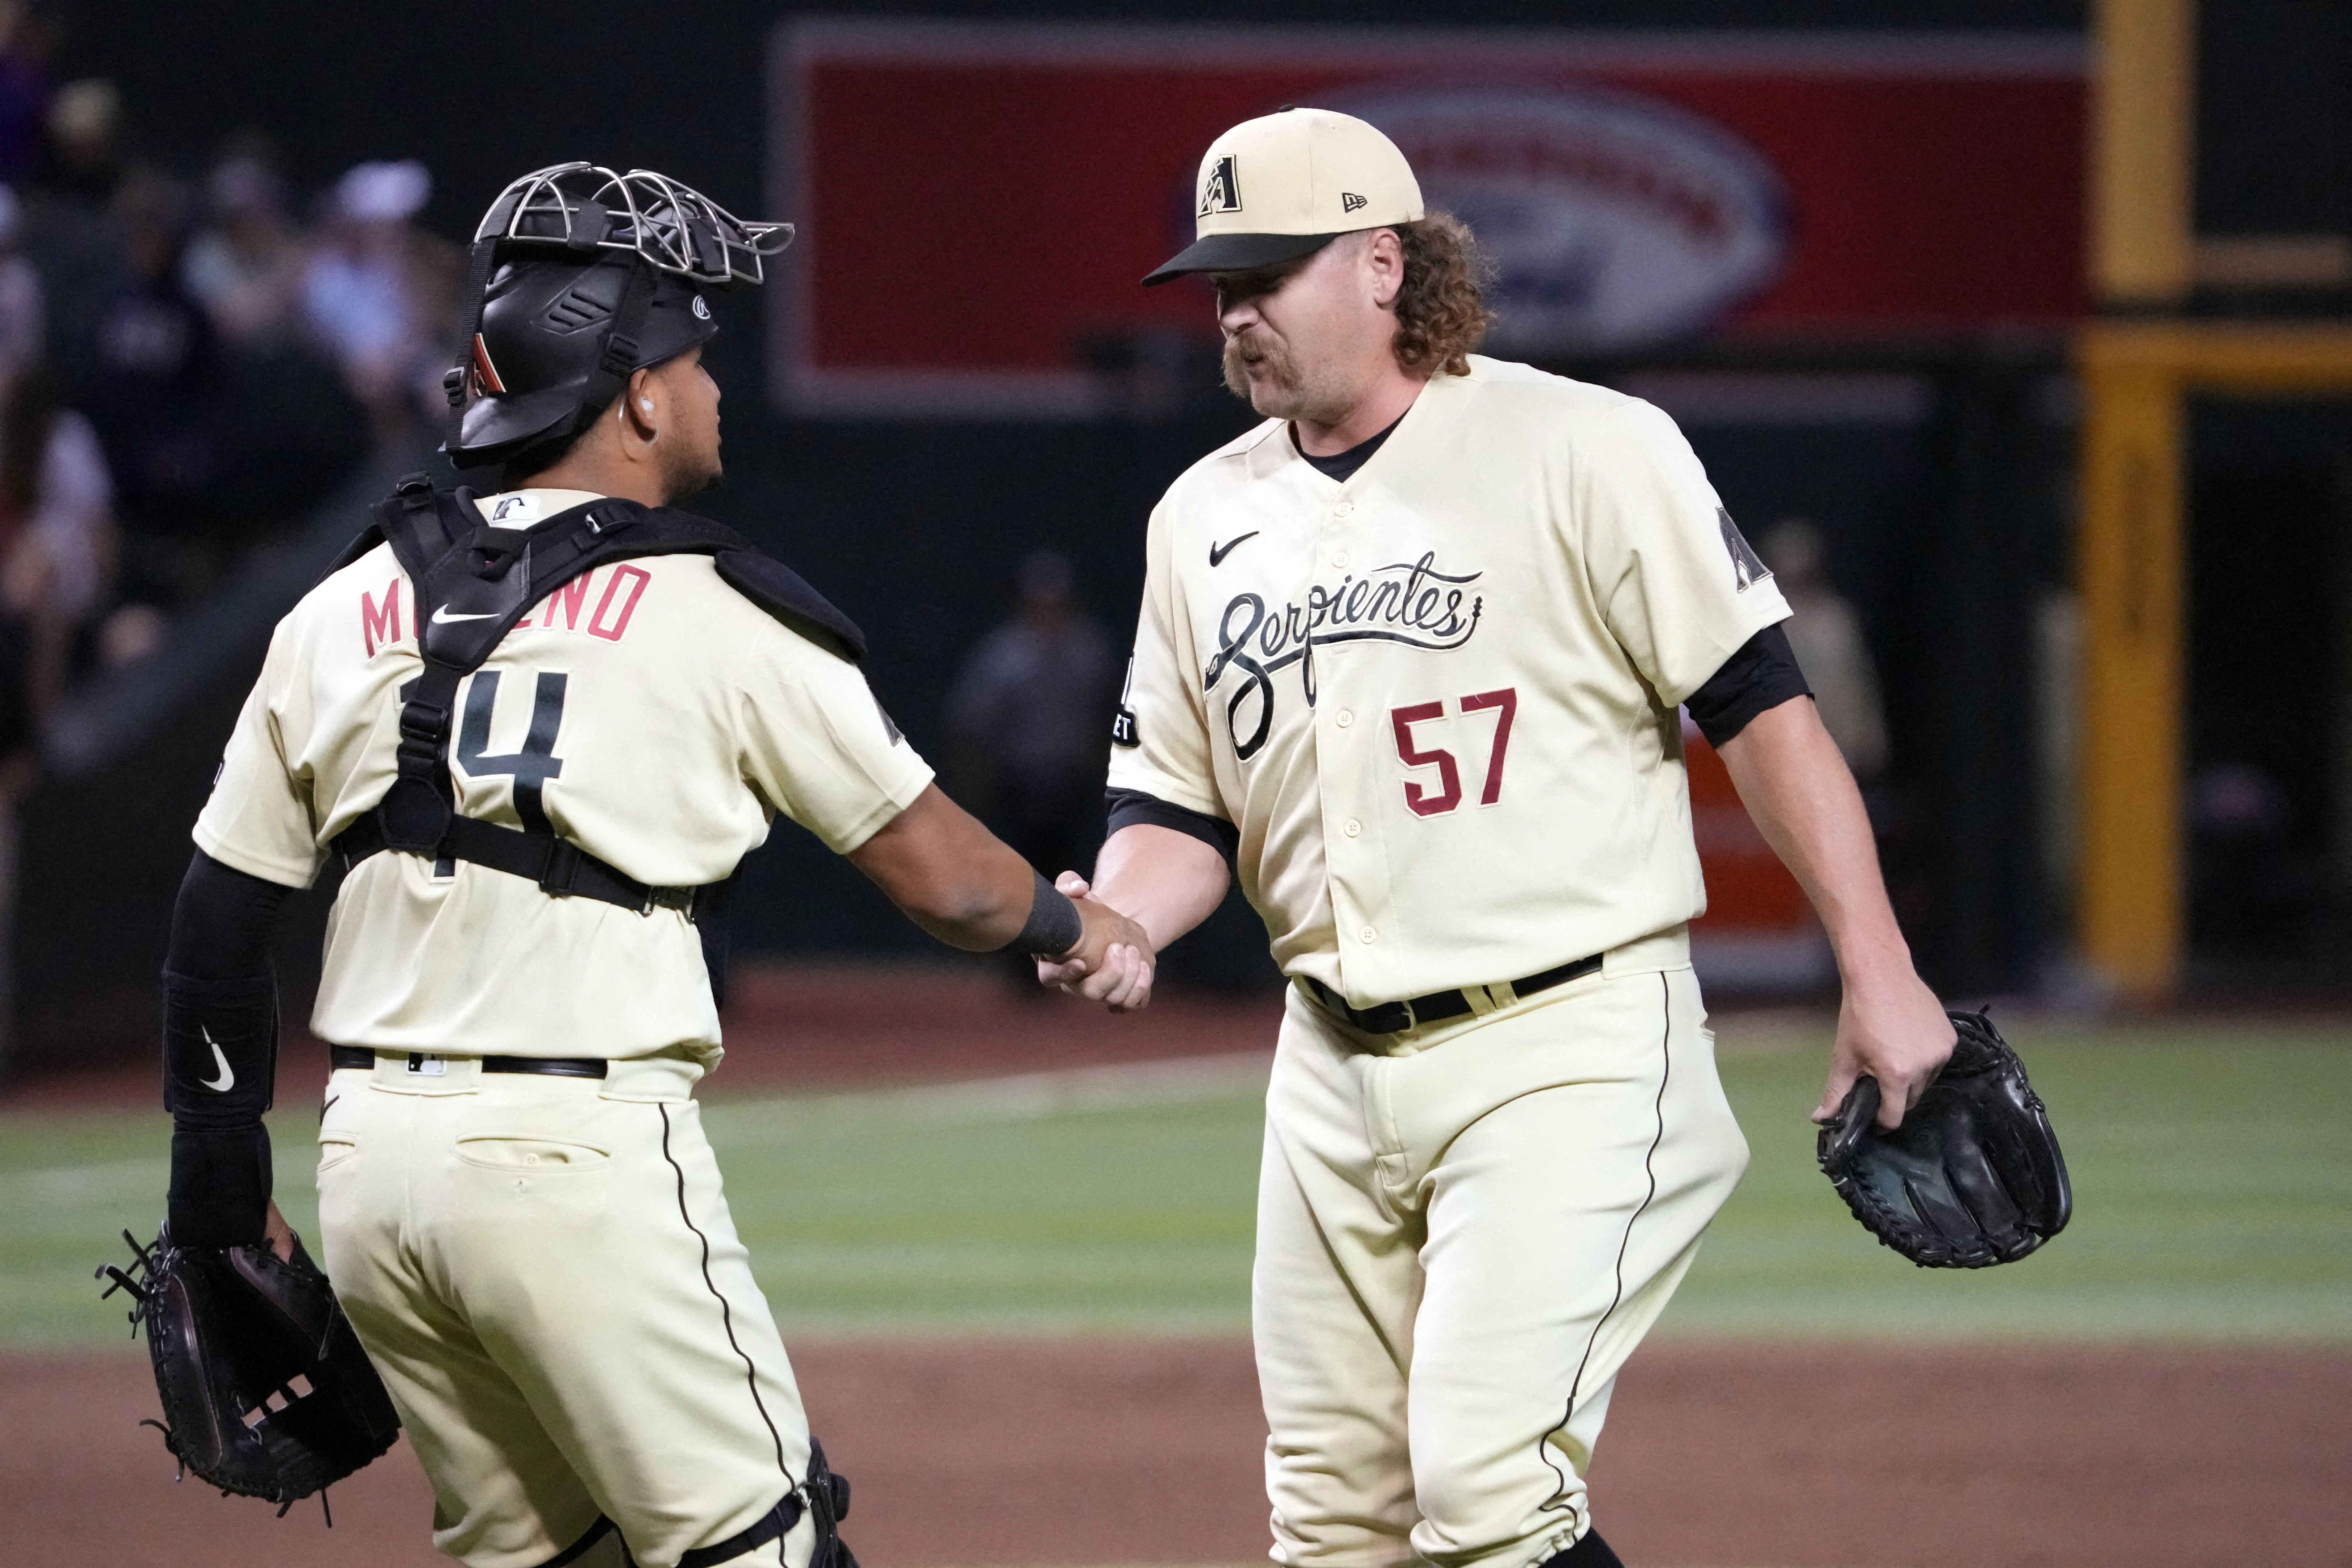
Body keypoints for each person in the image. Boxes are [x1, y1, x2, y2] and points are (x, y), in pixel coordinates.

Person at [157, 162, 1147, 1568]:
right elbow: (950, 882)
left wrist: (211, 1185)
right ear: (631, 397)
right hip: (580, 1166)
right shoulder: (713, 609)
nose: (713, 390)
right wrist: (1071, 922)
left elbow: (215, 919)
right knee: (773, 1549)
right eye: (692, 356)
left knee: (555, 1556)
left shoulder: (342, 604)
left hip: (371, 1173)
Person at [1042, 109, 1956, 1568]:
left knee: (1483, 1494)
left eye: (1264, 274)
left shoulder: (1582, 448)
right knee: (1333, 1523)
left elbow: (1764, 711)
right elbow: (1174, 808)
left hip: (1566, 1042)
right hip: (1329, 1068)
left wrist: (1878, 968)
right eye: (1216, 285)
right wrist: (1130, 918)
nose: (1231, 314)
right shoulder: (1198, 518)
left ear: (1381, 265)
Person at [945, 548, 1120, 983]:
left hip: (1074, 784)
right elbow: (974, 724)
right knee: (1018, 877)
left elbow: (1111, 717)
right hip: (1020, 785)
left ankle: (1080, 956)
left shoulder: (1089, 651)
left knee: (1077, 875)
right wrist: (976, 784)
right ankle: (1020, 969)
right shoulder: (1005, 655)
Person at [1756, 517, 1888, 784]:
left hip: (1840, 741)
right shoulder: (1764, 622)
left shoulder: (1836, 618)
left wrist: (1871, 736)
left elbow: (1859, 681)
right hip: (1784, 747)